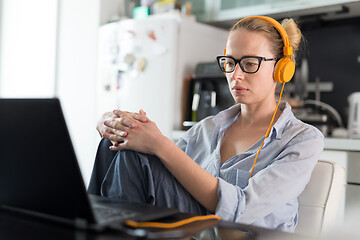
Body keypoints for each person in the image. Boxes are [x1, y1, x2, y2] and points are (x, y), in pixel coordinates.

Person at [88, 16, 324, 232]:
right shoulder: (208, 128)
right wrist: (115, 122)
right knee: (121, 144)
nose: (236, 75)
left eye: (250, 63)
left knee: (135, 152)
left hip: (241, 235)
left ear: (281, 68)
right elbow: (159, 170)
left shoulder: (303, 139)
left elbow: (242, 210)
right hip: (195, 231)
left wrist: (159, 143)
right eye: (230, 63)